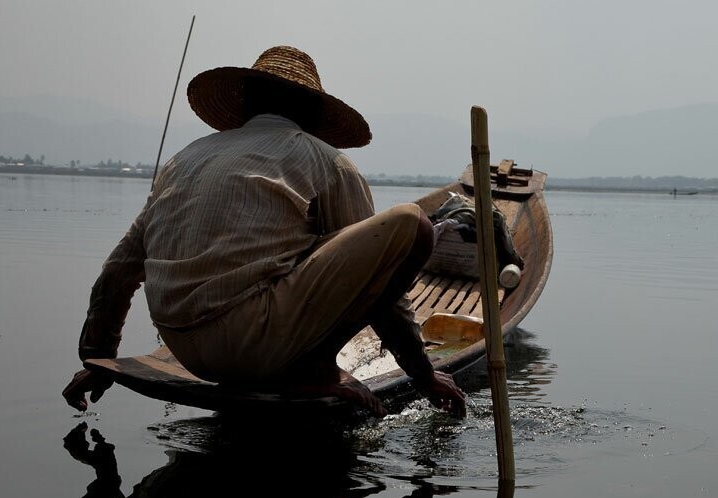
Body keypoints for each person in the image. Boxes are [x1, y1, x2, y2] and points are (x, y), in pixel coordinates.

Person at [62, 45, 465, 418]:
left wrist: (98, 358)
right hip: (254, 347)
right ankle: (316, 369)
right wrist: (421, 372)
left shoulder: (185, 158)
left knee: (312, 242)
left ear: (246, 106)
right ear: (312, 115)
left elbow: (117, 272)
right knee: (412, 225)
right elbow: (383, 286)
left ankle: (303, 363)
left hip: (185, 350)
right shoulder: (326, 161)